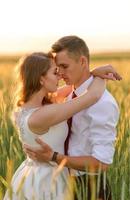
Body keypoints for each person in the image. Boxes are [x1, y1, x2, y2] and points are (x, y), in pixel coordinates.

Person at [4, 51, 111, 200]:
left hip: (31, 175)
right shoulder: (43, 115)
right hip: (48, 181)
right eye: (55, 72)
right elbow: (93, 95)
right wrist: (101, 74)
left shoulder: (28, 107)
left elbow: (74, 88)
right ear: (41, 79)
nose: (60, 76)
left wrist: (91, 72)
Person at [24, 36, 120, 200]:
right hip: (61, 183)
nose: (60, 73)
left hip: (90, 186)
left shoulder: (102, 103)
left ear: (82, 61)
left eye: (64, 66)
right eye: (57, 68)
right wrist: (94, 73)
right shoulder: (71, 95)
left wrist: (55, 157)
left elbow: (102, 163)